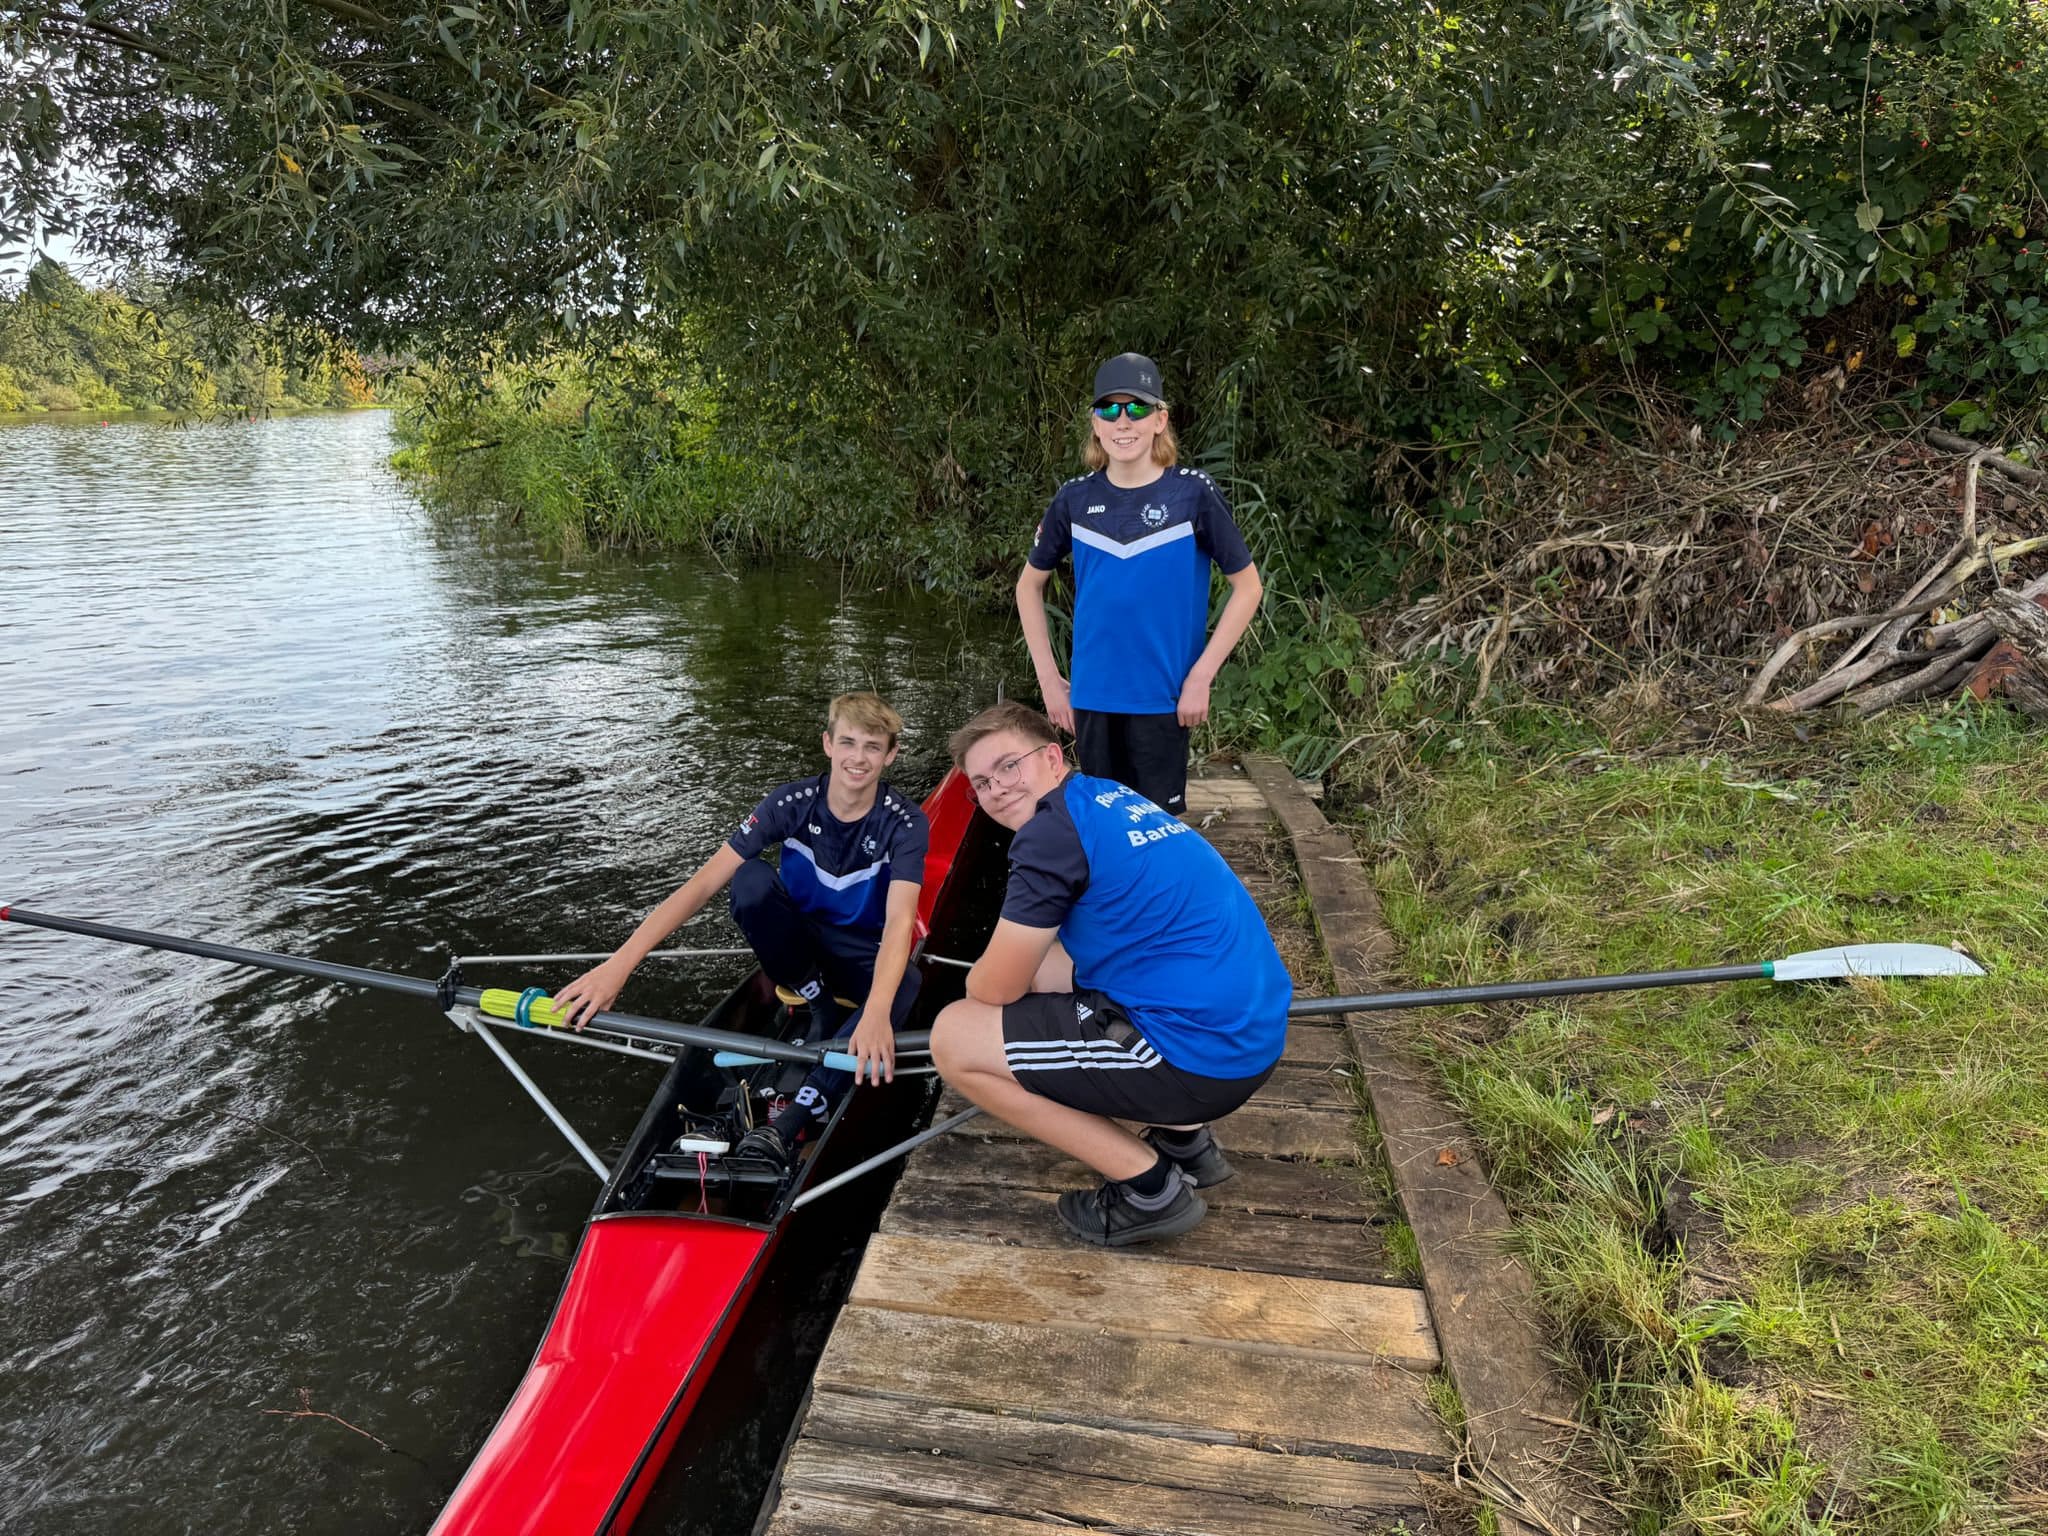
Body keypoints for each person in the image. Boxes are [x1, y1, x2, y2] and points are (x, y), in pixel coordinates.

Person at [928, 702, 1292, 1247]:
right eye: (980, 782)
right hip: (1252, 1032)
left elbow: (993, 988)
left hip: (1201, 1059)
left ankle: (1149, 1189)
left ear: (1051, 757)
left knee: (954, 1037)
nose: (996, 788)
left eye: (1008, 766)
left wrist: (981, 986)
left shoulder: (1048, 838)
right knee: (1048, 967)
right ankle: (1186, 1143)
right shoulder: (1103, 796)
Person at [552, 692, 929, 1168]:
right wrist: (619, 966)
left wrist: (876, 1011)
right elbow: (702, 885)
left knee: (906, 982)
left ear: (890, 754)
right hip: (803, 945)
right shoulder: (788, 803)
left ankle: (792, 1119)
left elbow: (900, 923)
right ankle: (819, 1005)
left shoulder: (906, 822)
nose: (859, 758)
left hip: (862, 950)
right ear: (828, 744)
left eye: (873, 747)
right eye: (848, 742)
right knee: (750, 879)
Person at [1017, 351, 1264, 815]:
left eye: (1138, 408)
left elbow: (1248, 587)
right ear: (1095, 422)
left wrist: (1202, 676)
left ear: (1160, 419)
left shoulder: (1192, 493)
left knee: (1156, 829)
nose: (1123, 421)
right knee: (1103, 826)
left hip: (1164, 698)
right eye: (1109, 409)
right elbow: (1028, 586)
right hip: (1092, 699)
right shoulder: (1074, 497)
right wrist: (1050, 682)